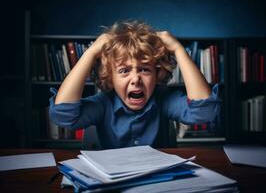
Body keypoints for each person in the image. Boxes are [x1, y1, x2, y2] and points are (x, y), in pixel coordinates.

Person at [49, 20, 221, 149]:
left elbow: (204, 113)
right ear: (111, 77)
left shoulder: (164, 100)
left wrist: (177, 49)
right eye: (124, 71)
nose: (135, 79)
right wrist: (92, 51)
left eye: (145, 70)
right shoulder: (103, 104)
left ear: (157, 74)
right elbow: (62, 116)